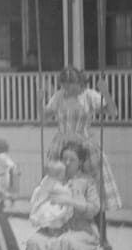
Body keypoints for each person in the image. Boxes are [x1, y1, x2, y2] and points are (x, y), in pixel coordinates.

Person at [44, 66, 122, 230]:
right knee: (62, 187)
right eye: (64, 84)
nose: (68, 87)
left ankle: (102, 235)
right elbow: (44, 116)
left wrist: (105, 92)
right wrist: (39, 101)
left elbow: (113, 112)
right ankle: (62, 228)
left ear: (80, 82)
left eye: (72, 83)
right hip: (62, 146)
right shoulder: (59, 97)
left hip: (84, 146)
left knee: (93, 188)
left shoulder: (89, 96)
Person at [17, 141, 102, 250]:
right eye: (64, 159)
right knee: (35, 242)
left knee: (67, 242)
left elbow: (94, 208)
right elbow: (41, 199)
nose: (67, 163)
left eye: (72, 159)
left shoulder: (87, 182)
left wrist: (71, 201)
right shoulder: (53, 179)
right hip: (54, 227)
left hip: (81, 229)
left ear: (80, 161)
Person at [28, 160, 74, 231]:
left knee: (47, 217)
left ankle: (47, 228)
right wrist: (68, 187)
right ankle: (52, 229)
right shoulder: (54, 183)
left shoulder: (46, 179)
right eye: (63, 173)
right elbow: (63, 191)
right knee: (55, 215)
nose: (64, 175)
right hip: (49, 203)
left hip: (42, 201)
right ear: (59, 175)